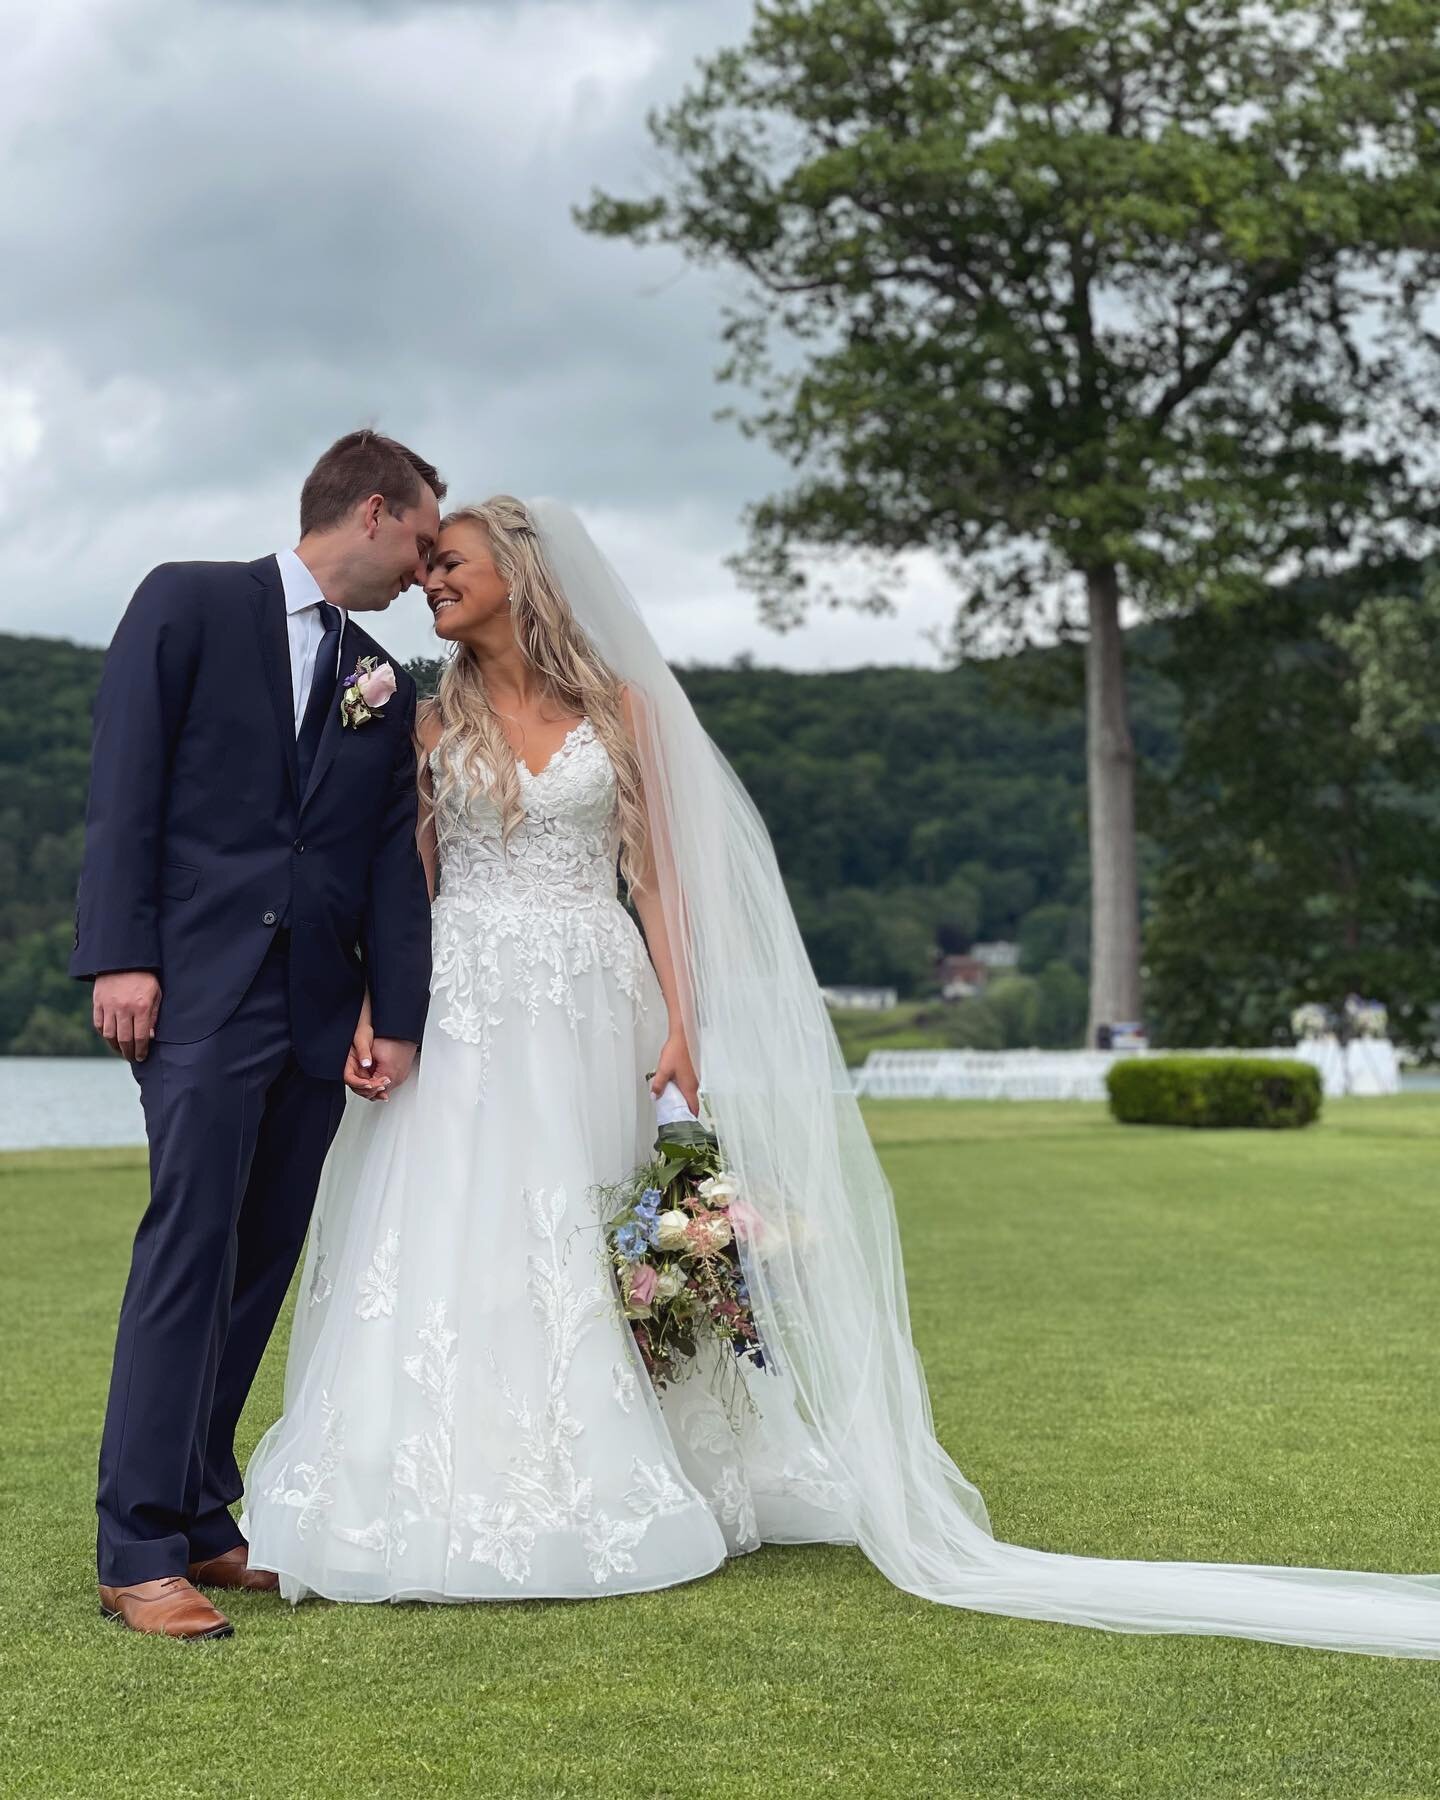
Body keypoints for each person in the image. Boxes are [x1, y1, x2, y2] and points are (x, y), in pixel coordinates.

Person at [249, 496, 1440, 1656]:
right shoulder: (413, 716)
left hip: (594, 997)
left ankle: (628, 1454)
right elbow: (403, 882)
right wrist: (374, 1002)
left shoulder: (619, 711)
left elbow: (656, 880)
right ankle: (424, 1475)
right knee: (453, 1217)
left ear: (521, 568)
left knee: (580, 1219)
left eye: (451, 560)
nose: (431, 580)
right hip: (461, 998)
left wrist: (686, 1027)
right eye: (427, 565)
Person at [73, 430, 440, 1638]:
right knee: (189, 1245)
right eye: (422, 544)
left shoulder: (384, 678)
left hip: (316, 1011)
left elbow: (390, 860)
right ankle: (135, 1546)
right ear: (373, 512)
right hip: (194, 991)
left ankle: (200, 1513)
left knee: (263, 1252)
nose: (424, 574)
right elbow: (125, 781)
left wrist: (399, 1016)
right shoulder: (186, 602)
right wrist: (120, 954)